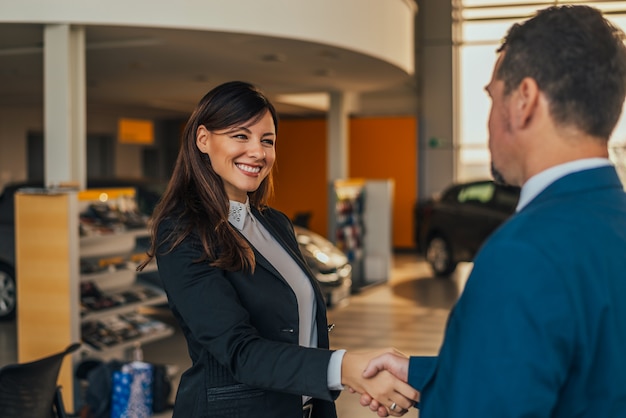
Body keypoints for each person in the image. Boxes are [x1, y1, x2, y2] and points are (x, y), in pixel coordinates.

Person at [359, 5, 626, 418]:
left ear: (524, 100)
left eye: (492, 95)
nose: (488, 118)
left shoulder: (524, 252)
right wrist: (421, 372)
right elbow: (589, 376)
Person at [138, 80, 418, 418]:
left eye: (267, 141)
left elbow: (297, 333)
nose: (258, 152)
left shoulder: (275, 224)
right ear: (203, 139)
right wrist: (345, 368)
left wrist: (360, 371)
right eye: (240, 136)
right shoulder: (182, 232)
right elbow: (241, 352)